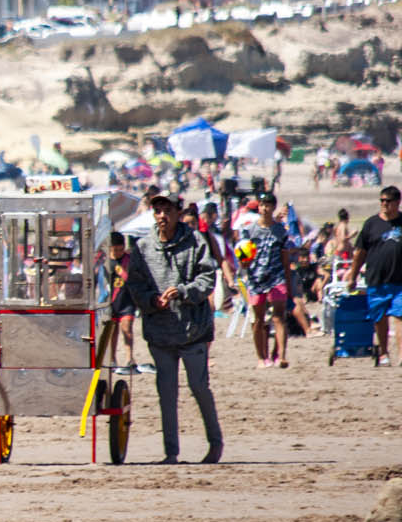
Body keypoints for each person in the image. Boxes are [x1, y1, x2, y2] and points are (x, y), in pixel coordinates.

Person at [126, 195, 224, 464]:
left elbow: (207, 279)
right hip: (160, 333)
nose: (161, 216)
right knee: (166, 393)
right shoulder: (143, 247)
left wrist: (183, 292)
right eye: (157, 210)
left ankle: (215, 443)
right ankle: (171, 452)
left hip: (193, 330)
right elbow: (134, 284)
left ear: (178, 213)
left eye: (167, 210)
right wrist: (150, 301)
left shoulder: (195, 242)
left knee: (199, 387)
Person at [345, 185, 402, 366]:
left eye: (388, 201)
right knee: (380, 319)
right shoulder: (371, 224)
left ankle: (401, 354)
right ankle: (384, 353)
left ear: (397, 202)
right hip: (376, 279)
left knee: (400, 317)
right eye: (382, 200)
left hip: (400, 280)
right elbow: (360, 252)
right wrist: (352, 276)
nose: (384, 204)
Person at [244, 192, 296, 368]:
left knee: (279, 317)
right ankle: (262, 357)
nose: (265, 209)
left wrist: (288, 283)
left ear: (274, 207)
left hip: (276, 277)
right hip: (256, 278)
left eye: (268, 205)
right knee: (258, 320)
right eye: (262, 205)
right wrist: (244, 267)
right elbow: (244, 257)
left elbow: (285, 258)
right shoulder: (250, 230)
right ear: (258, 207)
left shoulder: (280, 231)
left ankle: (280, 355)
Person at [99, 232, 140, 371]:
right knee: (112, 332)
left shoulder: (129, 260)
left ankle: (129, 358)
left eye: (120, 249)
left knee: (127, 328)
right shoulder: (104, 263)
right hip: (111, 303)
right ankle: (112, 359)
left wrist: (122, 271)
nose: (117, 253)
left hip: (126, 301)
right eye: (114, 250)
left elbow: (134, 279)